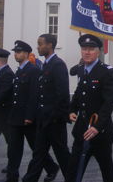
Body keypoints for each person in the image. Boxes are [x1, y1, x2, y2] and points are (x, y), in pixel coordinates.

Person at [2, 40, 59, 182]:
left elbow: (34, 95)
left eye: (19, 52)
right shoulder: (19, 70)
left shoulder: (33, 71)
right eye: (15, 52)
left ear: (27, 54)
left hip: (28, 119)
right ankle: (12, 177)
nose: (16, 55)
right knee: (13, 149)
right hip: (15, 117)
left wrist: (29, 116)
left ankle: (51, 167)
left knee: (37, 148)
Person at [66, 34, 113, 182]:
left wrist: (97, 126)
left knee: (106, 169)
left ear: (99, 51)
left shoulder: (107, 72)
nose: (87, 52)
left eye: (91, 49)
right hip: (82, 129)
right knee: (73, 169)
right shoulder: (82, 70)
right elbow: (79, 92)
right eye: (84, 49)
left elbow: (109, 103)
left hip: (99, 132)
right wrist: (71, 110)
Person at [22, 34, 70, 182]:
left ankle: (73, 177)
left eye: (40, 44)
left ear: (50, 45)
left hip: (54, 121)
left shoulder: (58, 64)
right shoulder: (46, 65)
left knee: (62, 154)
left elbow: (62, 94)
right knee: (38, 153)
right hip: (44, 119)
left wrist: (54, 116)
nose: (38, 47)